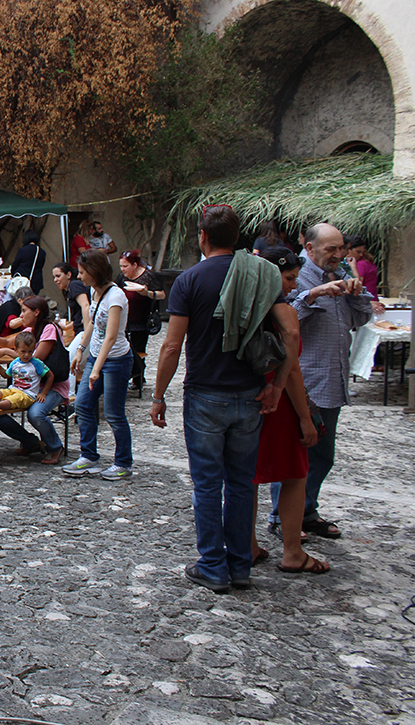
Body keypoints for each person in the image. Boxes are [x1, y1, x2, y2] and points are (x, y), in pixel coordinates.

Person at [150, 204, 300, 594]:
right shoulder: (262, 274)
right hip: (250, 391)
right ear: (237, 238)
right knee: (240, 483)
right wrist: (278, 384)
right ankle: (239, 564)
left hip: (204, 393)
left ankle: (212, 565)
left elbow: (170, 346)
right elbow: (291, 334)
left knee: (206, 484)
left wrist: (158, 395)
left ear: (202, 236)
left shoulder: (189, 280)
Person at [269, 222, 373, 542]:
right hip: (305, 382)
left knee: (323, 455)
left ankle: (305, 511)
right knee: (295, 455)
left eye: (340, 248)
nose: (338, 254)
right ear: (310, 248)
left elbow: (362, 317)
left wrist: (355, 293)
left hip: (332, 379)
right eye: (331, 249)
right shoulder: (294, 276)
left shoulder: (340, 272)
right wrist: (312, 295)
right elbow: (282, 321)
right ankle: (280, 517)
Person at [249, 247, 326, 574]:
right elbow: (291, 369)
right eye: (289, 278)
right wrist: (306, 418)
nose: (293, 285)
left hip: (249, 399)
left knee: (248, 476)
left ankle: (248, 544)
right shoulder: (282, 313)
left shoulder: (244, 306)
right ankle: (292, 551)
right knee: (295, 474)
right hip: (279, 404)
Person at [62, 249, 135, 481]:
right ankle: (89, 456)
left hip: (117, 360)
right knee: (83, 405)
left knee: (114, 414)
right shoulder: (95, 292)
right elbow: (92, 324)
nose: (80, 277)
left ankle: (123, 462)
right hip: (96, 356)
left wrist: (95, 369)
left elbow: (111, 336)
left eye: (82, 272)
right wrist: (81, 350)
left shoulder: (116, 296)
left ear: (94, 271)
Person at [0, 296, 69, 462]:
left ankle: (55, 447)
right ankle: (31, 442)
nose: (21, 315)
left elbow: (35, 358)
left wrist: (8, 353)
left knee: (35, 414)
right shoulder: (29, 331)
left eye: (24, 311)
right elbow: (7, 341)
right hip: (27, 387)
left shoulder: (49, 329)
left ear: (36, 312)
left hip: (51, 386)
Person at [115, 250, 166, 392]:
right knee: (124, 347)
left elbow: (161, 294)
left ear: (135, 265)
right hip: (125, 318)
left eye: (125, 266)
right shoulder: (122, 277)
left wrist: (147, 293)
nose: (123, 269)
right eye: (121, 266)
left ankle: (138, 378)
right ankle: (125, 375)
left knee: (138, 349)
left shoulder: (148, 277)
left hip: (141, 319)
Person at [0, 330, 54, 413]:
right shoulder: (15, 363)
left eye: (30, 352)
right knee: (0, 392)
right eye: (23, 351)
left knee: (13, 400)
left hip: (27, 394)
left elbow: (50, 376)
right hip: (13, 389)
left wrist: (43, 393)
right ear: (16, 350)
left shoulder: (36, 363)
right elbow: (6, 375)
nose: (27, 355)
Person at [347, 236, 384, 313]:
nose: (360, 255)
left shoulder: (361, 264)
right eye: (358, 252)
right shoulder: (367, 262)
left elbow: (357, 286)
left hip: (367, 304)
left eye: (361, 252)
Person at [10, 230, 48, 294]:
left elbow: (15, 264)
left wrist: (12, 273)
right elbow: (41, 266)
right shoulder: (42, 252)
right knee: (32, 301)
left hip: (23, 280)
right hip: (36, 281)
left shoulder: (23, 250)